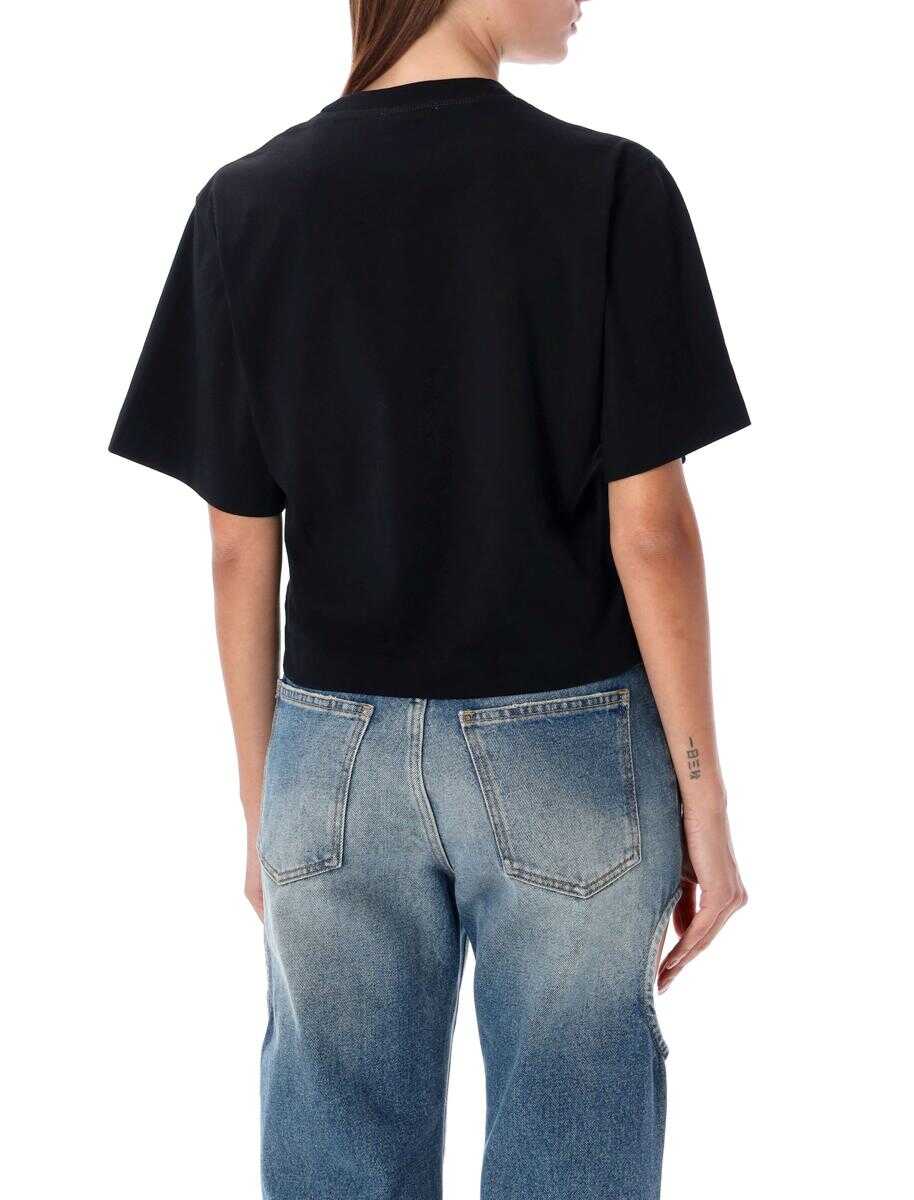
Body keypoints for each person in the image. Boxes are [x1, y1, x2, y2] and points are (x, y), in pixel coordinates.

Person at [109, 1, 750, 1196]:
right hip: (568, 747)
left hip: (330, 759)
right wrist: (702, 803)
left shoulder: (245, 204)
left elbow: (240, 547)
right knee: (573, 1152)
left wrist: (263, 807)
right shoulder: (609, 190)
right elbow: (650, 532)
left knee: (336, 1157)